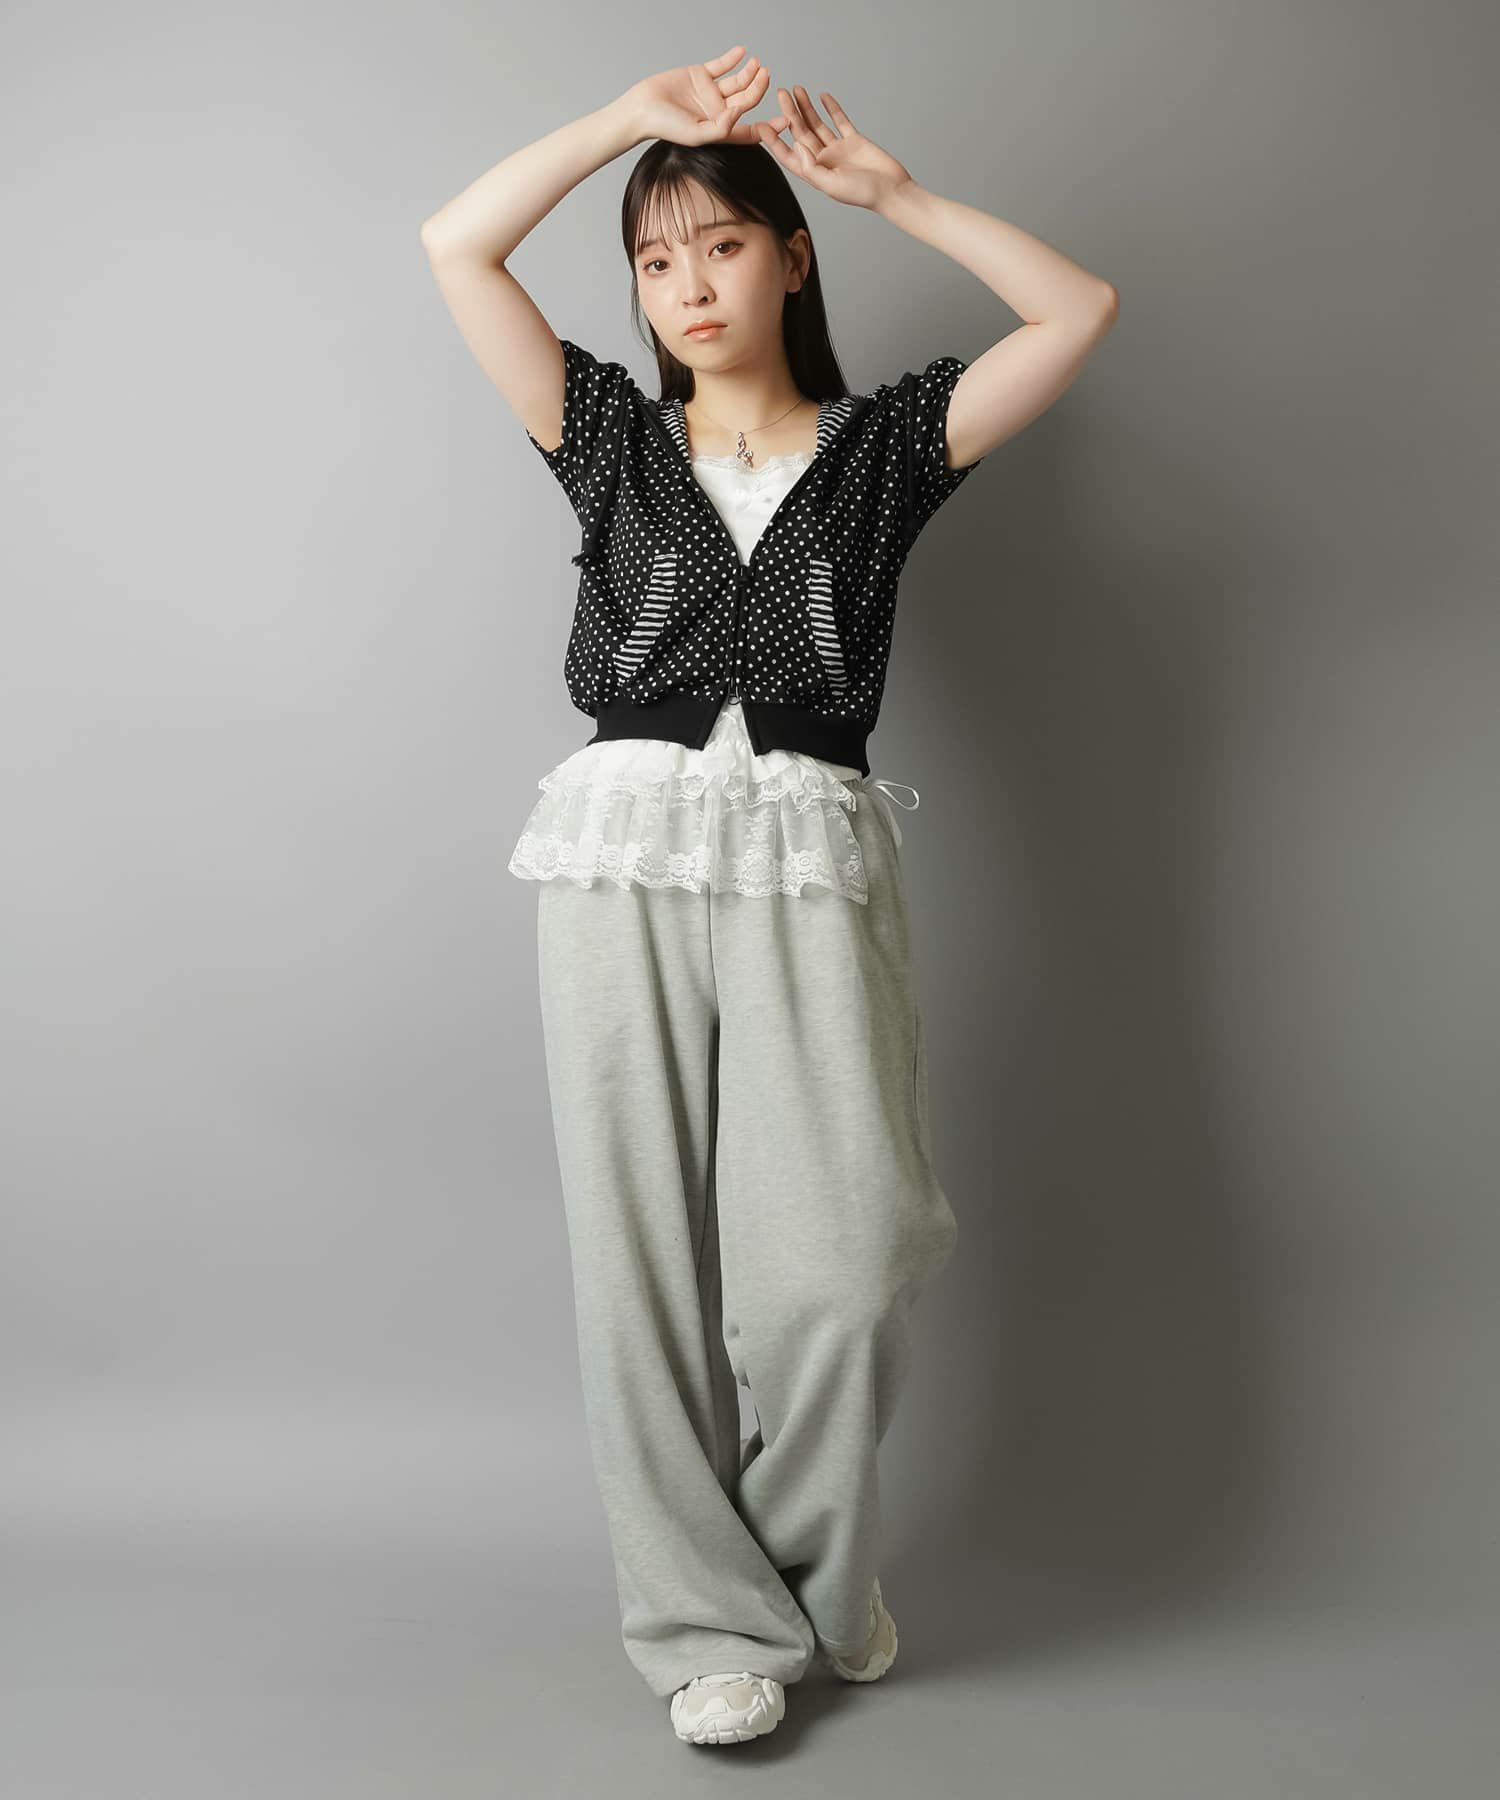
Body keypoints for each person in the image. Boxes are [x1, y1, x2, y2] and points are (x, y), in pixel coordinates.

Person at [421, 45, 1118, 1747]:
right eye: (655, 258)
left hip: (811, 856)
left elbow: (1078, 310)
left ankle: (815, 1580)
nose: (688, 284)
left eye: (722, 244)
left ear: (791, 259)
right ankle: (705, 1629)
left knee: (847, 1262)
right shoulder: (605, 437)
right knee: (642, 1261)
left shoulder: (885, 450)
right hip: (621, 860)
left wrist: (899, 194)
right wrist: (622, 127)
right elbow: (458, 244)